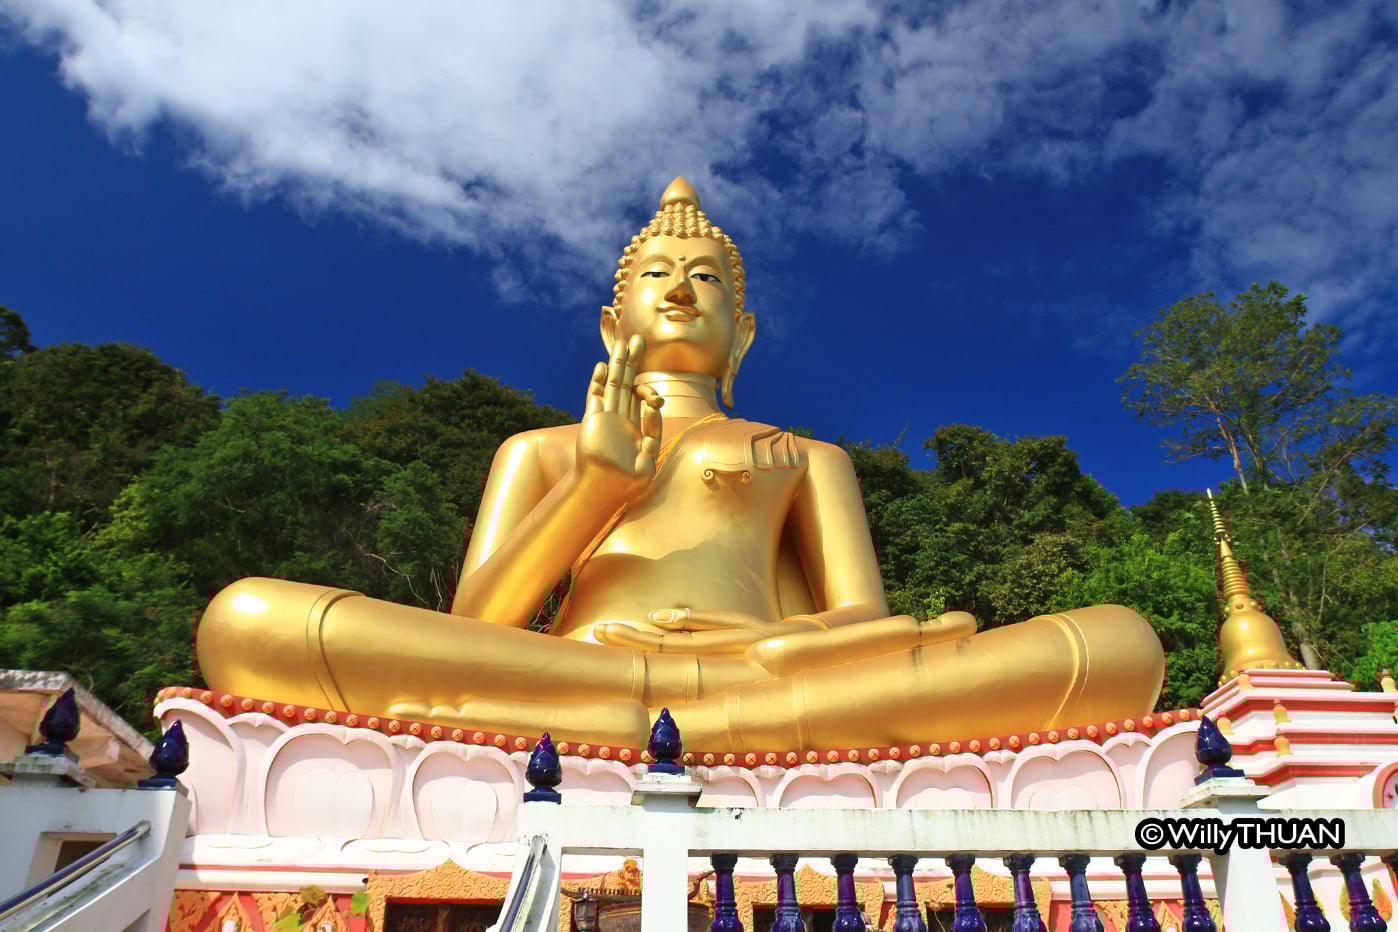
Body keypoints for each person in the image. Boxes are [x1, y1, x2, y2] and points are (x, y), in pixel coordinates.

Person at [197, 178, 1164, 753]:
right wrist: (595, 484)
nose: (680, 288)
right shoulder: (541, 452)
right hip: (576, 666)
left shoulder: (803, 455)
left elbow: (862, 619)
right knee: (248, 621)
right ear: (614, 323)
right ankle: (686, 720)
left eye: (705, 279)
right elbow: (473, 622)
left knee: (1121, 644)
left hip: (763, 672)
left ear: (740, 332)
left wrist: (778, 653)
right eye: (657, 275)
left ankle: (682, 728)